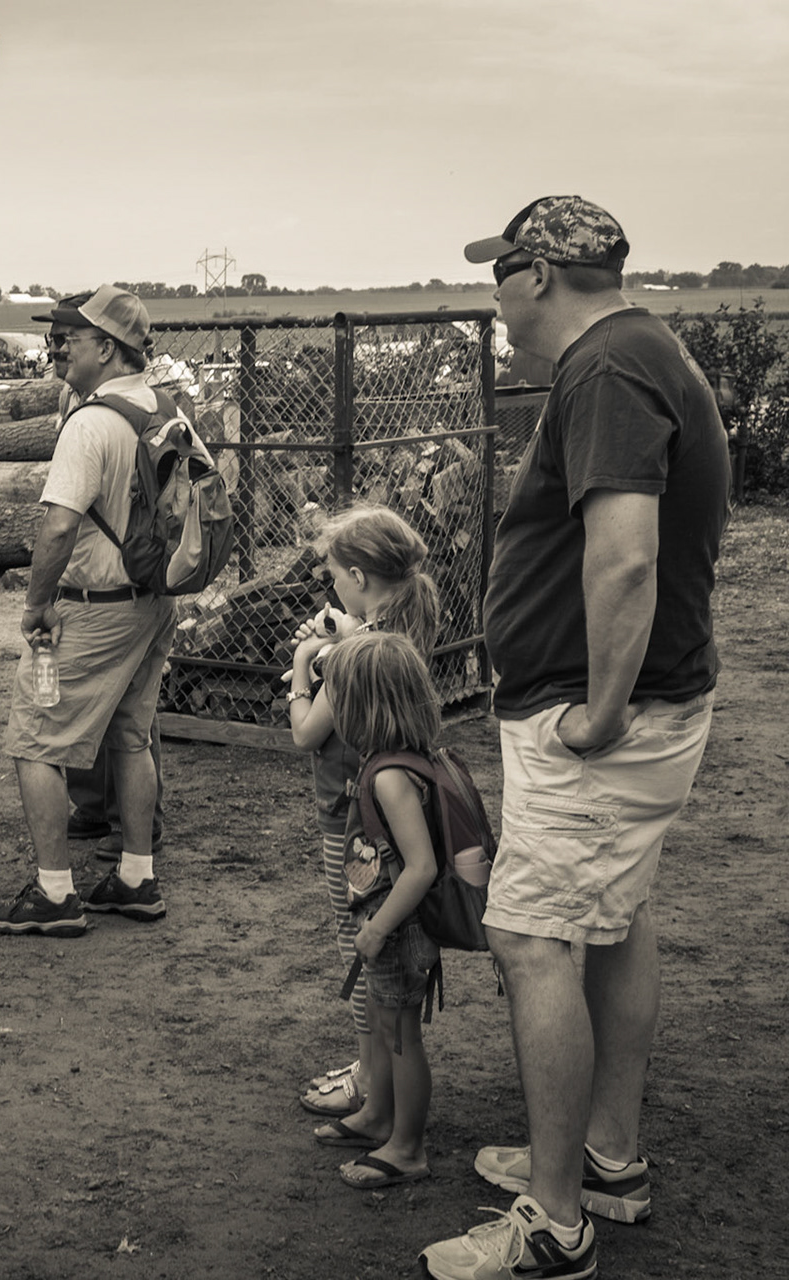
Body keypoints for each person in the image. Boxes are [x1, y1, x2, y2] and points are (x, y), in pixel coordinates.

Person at [419, 196, 727, 1280]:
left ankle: (554, 1223)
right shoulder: (642, 354)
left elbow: (626, 554)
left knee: (533, 937)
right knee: (613, 916)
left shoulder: (605, 367)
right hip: (635, 709)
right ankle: (608, 1160)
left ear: (539, 273)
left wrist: (599, 704)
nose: (494, 302)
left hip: (603, 722)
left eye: (499, 274)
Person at [0, 285, 184, 937]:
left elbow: (59, 529)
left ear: (108, 347)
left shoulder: (91, 422)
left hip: (96, 606)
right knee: (129, 735)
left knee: (34, 740)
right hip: (153, 597)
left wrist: (35, 606)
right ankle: (134, 877)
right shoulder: (161, 406)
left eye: (74, 339)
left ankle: (55, 893)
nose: (60, 347)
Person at [286, 505, 441, 1123]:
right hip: (381, 812)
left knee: (362, 948)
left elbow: (306, 733)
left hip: (351, 817)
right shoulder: (401, 629)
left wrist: (306, 665)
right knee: (372, 952)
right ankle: (371, 1076)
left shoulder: (360, 656)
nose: (331, 585)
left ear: (357, 576)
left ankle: (369, 1083)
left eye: (332, 574)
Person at [308, 631, 446, 1189]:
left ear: (366, 706)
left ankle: (407, 1147)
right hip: (385, 927)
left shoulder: (390, 778)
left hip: (397, 931)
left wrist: (378, 928)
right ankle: (377, 1116)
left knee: (400, 1036)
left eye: (339, 698)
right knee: (388, 1027)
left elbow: (422, 868)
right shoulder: (389, 763)